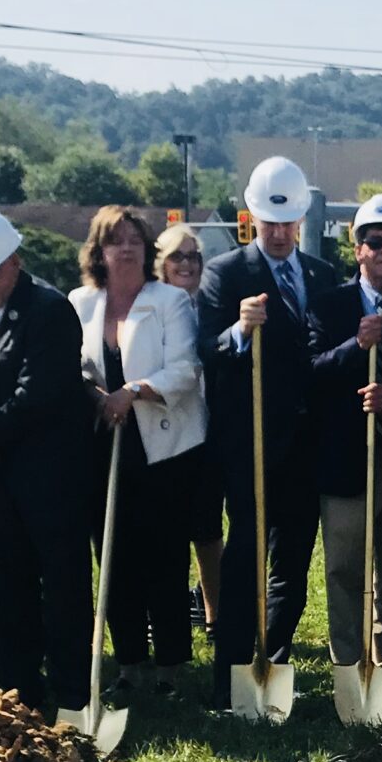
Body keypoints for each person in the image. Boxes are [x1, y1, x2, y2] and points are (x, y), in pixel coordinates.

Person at [198, 155, 341, 711]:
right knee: (244, 561)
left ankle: (271, 662)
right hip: (250, 445)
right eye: (269, 223)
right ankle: (230, 677)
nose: (279, 233)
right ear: (251, 217)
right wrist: (239, 330)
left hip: (308, 446)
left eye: (288, 223)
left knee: (293, 564)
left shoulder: (323, 275)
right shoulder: (226, 273)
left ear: (301, 221)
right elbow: (206, 352)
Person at [0, 207, 97, 712]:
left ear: (14, 260)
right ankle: (18, 689)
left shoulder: (49, 309)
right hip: (5, 480)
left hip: (51, 477)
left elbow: (42, 390)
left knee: (61, 586)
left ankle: (72, 689)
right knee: (4, 585)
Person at [71, 206, 202, 690]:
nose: (125, 248)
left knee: (164, 556)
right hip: (103, 447)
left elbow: (186, 369)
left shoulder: (169, 301)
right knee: (113, 555)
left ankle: (170, 664)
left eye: (134, 240)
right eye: (115, 240)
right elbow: (74, 370)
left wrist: (134, 391)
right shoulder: (81, 302)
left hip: (162, 446)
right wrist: (95, 395)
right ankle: (129, 663)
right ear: (98, 251)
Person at [310, 194, 382, 683]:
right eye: (373, 240)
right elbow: (311, 375)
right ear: (356, 249)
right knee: (344, 571)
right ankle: (347, 666)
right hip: (346, 463)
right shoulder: (330, 304)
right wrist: (356, 348)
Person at [154, 222, 225, 633]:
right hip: (160, 425)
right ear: (161, 264)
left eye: (192, 256)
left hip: (206, 426)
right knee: (165, 530)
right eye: (176, 256)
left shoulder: (210, 305)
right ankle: (166, 612)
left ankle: (216, 614)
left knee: (207, 526)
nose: (186, 264)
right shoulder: (149, 307)